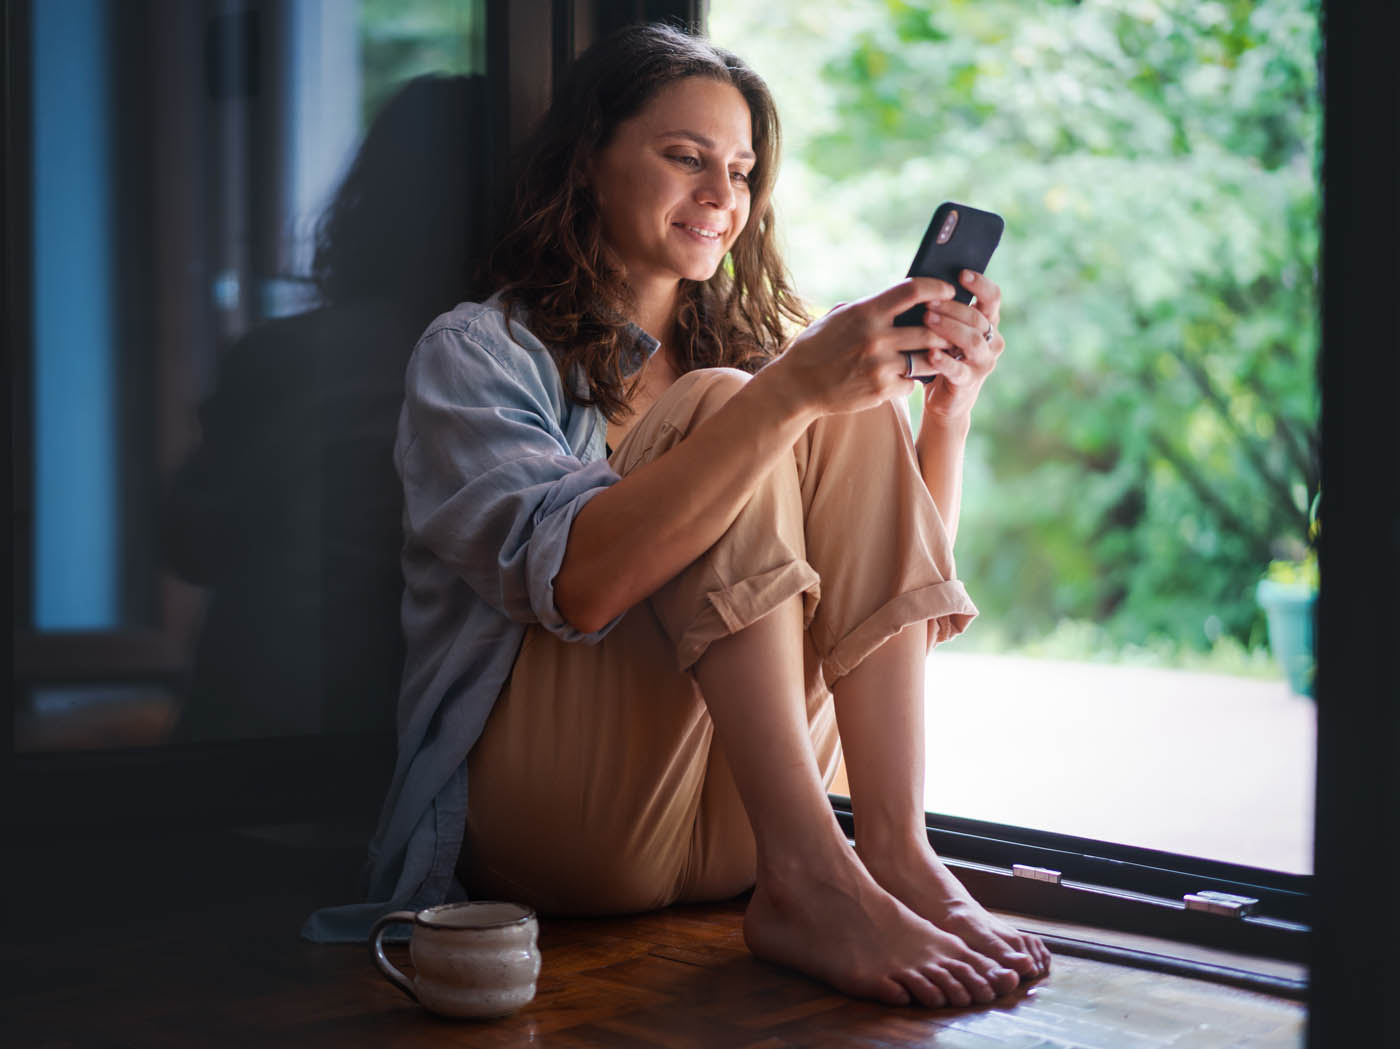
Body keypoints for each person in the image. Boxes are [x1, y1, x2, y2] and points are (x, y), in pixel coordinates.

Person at [305, 25, 1051, 1009]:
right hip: (564, 826)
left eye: (739, 171)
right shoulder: (481, 351)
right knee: (736, 401)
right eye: (684, 158)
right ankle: (813, 874)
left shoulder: (760, 353)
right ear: (587, 161)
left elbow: (880, 621)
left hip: (737, 818)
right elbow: (579, 584)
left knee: (833, 388)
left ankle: (895, 855)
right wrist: (780, 394)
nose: (720, 198)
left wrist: (943, 417)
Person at [166, 74, 488, 741]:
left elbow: (186, 536)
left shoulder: (280, 355)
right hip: (424, 749)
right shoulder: (529, 373)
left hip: (244, 739)